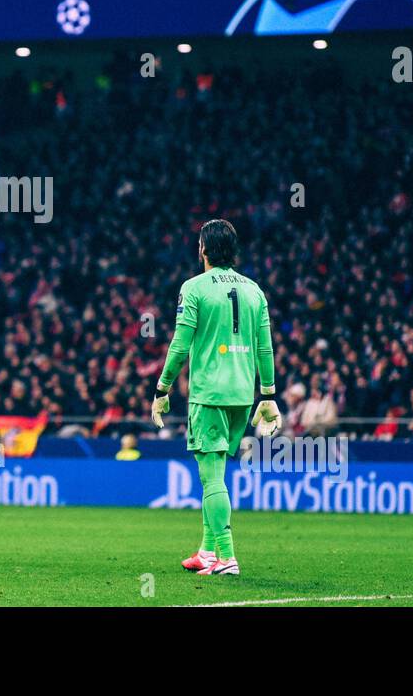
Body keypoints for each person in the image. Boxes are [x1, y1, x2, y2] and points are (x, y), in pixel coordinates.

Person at [151, 219, 280, 577]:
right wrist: (268, 395)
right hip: (242, 396)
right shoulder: (255, 290)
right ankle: (208, 551)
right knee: (218, 474)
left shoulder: (194, 288)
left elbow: (180, 345)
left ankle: (227, 556)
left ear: (203, 249)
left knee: (211, 479)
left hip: (208, 395)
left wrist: (162, 389)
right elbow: (264, 347)